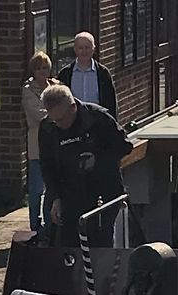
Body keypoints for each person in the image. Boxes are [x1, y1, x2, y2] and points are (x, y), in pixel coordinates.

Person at [38, 79, 133, 247]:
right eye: (54, 120)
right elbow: (47, 166)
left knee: (100, 243)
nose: (58, 125)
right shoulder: (48, 128)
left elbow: (124, 146)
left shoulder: (98, 118)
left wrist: (98, 158)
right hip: (69, 193)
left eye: (61, 119)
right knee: (69, 243)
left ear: (72, 107)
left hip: (102, 192)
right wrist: (56, 197)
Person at [20, 48, 54, 234]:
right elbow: (39, 115)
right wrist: (57, 113)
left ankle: (50, 223)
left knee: (52, 188)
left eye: (45, 68)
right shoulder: (28, 91)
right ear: (33, 70)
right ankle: (35, 224)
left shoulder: (56, 86)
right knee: (36, 189)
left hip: (55, 145)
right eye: (39, 68)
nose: (42, 72)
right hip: (37, 145)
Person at [58, 30, 117, 115]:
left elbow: (111, 102)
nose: (84, 51)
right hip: (73, 119)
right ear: (75, 49)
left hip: (97, 119)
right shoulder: (65, 74)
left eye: (87, 47)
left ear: (93, 49)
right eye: (81, 48)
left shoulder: (103, 73)